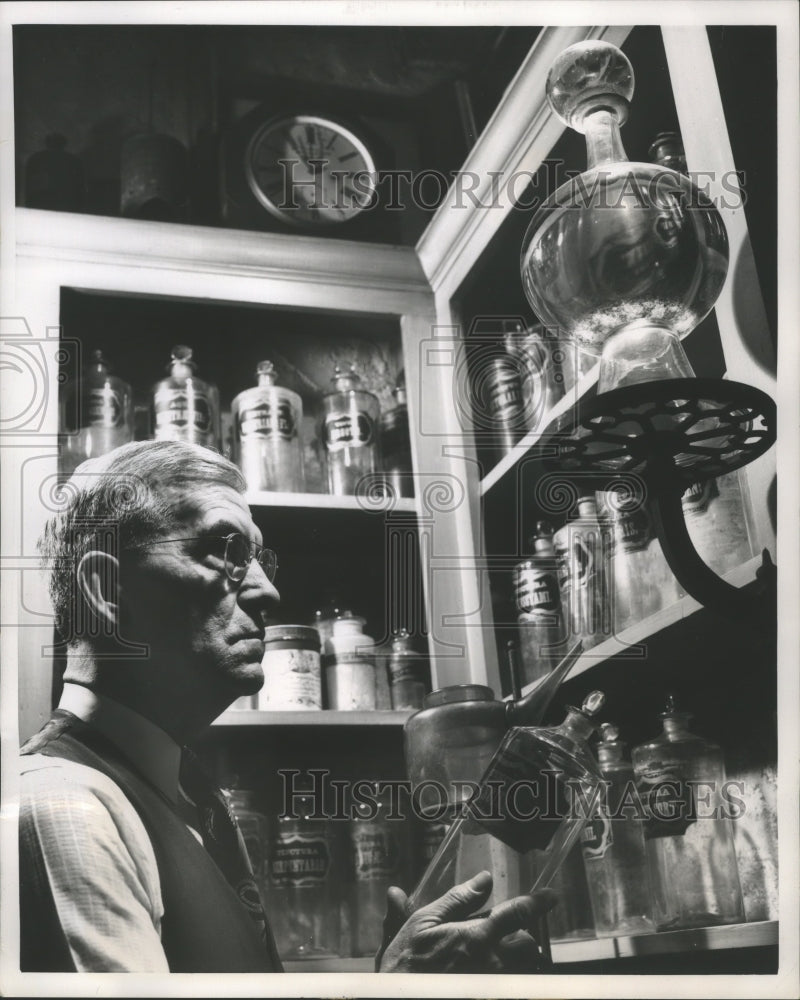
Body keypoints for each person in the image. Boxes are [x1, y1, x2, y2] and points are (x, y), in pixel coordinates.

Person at [20, 440, 555, 974]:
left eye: (258, 559)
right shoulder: (64, 807)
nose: (267, 591)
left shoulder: (190, 792)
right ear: (108, 589)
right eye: (223, 550)